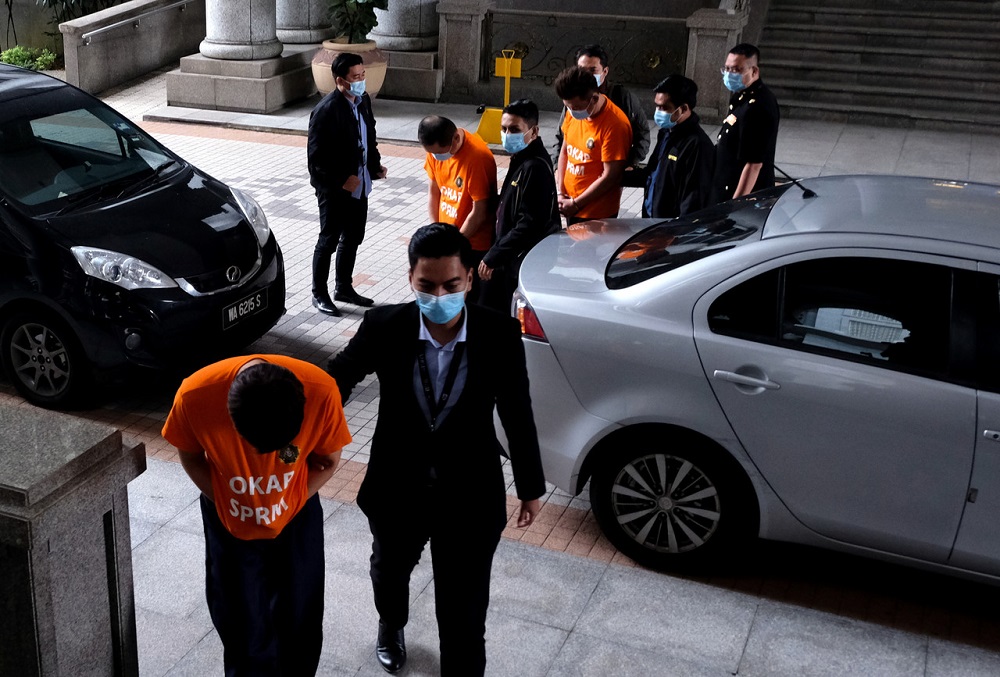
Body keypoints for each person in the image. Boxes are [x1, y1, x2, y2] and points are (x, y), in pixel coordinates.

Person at [327, 223, 545, 676]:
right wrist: (294, 424)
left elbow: (517, 410)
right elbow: (337, 379)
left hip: (469, 493)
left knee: (464, 615)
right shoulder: (385, 326)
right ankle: (392, 622)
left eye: (451, 285)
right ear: (410, 278)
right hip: (396, 486)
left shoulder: (499, 334)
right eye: (426, 286)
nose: (439, 296)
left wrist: (529, 485)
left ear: (469, 278)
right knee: (389, 572)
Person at [162, 355, 351, 676]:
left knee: (299, 617)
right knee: (240, 621)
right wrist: (225, 498)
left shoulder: (321, 391)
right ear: (230, 417)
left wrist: (289, 502)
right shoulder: (195, 396)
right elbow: (191, 456)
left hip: (296, 518)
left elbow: (328, 461)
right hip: (228, 521)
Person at [308, 51, 388, 317]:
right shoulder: (326, 111)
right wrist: (342, 180)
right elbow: (316, 161)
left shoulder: (362, 100)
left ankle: (344, 287)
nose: (361, 80)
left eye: (363, 75)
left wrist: (374, 165)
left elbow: (369, 135)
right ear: (340, 81)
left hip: (360, 185)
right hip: (335, 190)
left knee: (353, 236)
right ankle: (319, 293)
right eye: (356, 77)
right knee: (328, 240)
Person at [478, 99, 560, 312]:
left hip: (517, 262)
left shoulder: (535, 167)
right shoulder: (521, 158)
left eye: (514, 129)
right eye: (504, 128)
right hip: (508, 256)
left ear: (534, 131)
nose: (507, 134)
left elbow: (529, 223)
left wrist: (494, 256)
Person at [418, 115, 498, 298]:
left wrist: (455, 243)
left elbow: (480, 211)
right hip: (449, 242)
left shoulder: (478, 158)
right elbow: (434, 192)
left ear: (455, 138)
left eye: (441, 153)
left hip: (472, 245)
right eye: (433, 154)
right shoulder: (435, 150)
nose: (438, 158)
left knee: (468, 300)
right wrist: (436, 230)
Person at [627, 75, 715, 218]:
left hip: (669, 230)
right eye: (657, 106)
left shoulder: (697, 145)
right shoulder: (667, 134)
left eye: (664, 107)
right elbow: (653, 174)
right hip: (652, 222)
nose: (658, 112)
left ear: (684, 108)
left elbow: (693, 199)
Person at [554, 66, 632, 225]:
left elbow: (610, 176)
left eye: (575, 107)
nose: (571, 111)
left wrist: (577, 204)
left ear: (594, 99)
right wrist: (562, 193)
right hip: (570, 203)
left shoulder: (615, 125)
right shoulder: (572, 111)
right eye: (568, 106)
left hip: (597, 213)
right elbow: (565, 152)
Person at [554, 44, 651, 169]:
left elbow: (642, 134)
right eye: (582, 70)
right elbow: (561, 136)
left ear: (605, 71)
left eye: (592, 70)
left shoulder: (621, 97)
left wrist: (630, 162)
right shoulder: (574, 97)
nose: (586, 75)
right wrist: (557, 167)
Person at [711, 43, 780, 203]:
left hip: (743, 195)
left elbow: (753, 164)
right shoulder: (742, 97)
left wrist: (735, 205)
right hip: (725, 185)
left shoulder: (759, 105)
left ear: (754, 71)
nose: (729, 74)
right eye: (726, 69)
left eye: (736, 70)